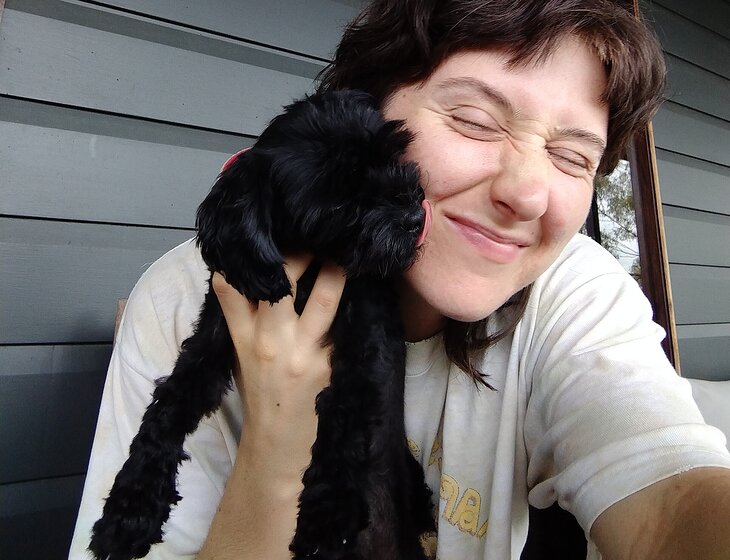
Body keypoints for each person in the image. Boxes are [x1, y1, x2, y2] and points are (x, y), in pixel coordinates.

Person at [70, 1, 730, 559]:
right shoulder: (191, 294)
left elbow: (669, 506)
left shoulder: (572, 290)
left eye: (571, 156)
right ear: (363, 109)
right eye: (474, 120)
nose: (528, 193)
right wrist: (279, 448)